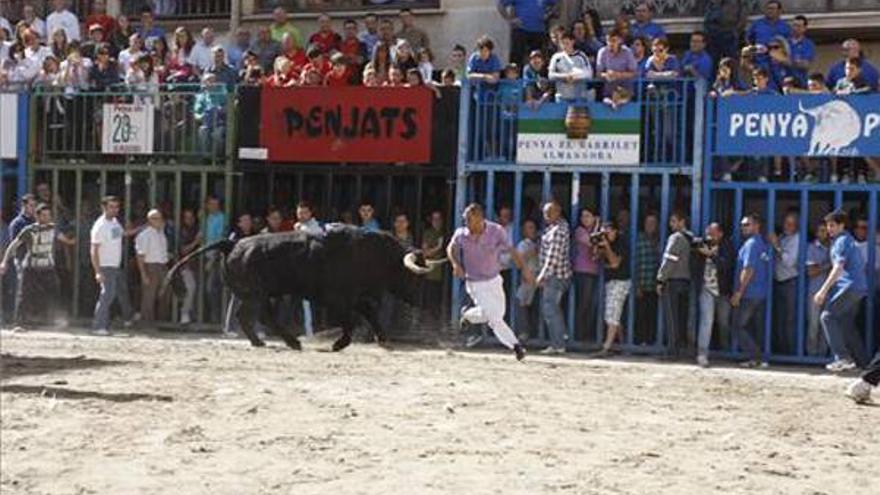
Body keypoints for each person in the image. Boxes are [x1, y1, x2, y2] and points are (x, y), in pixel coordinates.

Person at [448, 203, 534, 361]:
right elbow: (451, 248)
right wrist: (455, 264)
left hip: (494, 279)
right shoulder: (461, 234)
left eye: (469, 220)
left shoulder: (496, 231)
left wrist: (524, 269)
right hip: (475, 282)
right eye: (465, 220)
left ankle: (467, 315)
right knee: (494, 318)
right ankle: (516, 346)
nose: (467, 223)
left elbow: (511, 251)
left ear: (480, 219)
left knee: (497, 314)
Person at [814, 210, 870, 372]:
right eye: (827, 225)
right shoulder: (848, 240)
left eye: (832, 225)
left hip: (850, 287)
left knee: (827, 316)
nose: (829, 229)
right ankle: (864, 363)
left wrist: (823, 290)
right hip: (858, 288)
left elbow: (838, 267)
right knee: (847, 324)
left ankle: (843, 358)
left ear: (842, 225)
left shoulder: (841, 241)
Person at [0, 203, 64, 328]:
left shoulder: (52, 228)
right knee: (24, 294)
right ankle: (19, 322)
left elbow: (63, 238)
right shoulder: (29, 230)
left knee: (54, 290)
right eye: (44, 215)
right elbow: (14, 245)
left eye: (48, 215)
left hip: (47, 266)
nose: (47, 218)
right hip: (31, 266)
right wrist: (4, 261)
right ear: (37, 216)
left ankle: (48, 318)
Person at [732, 213, 771, 368]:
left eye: (747, 224)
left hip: (749, 293)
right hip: (760, 292)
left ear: (757, 226)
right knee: (753, 327)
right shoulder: (761, 243)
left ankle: (757, 357)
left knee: (737, 326)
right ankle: (758, 359)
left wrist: (739, 292)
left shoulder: (751, 244)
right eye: (742, 225)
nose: (743, 228)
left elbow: (748, 269)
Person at [91, 196, 134, 335]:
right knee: (107, 296)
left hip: (115, 266)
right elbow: (94, 250)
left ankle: (128, 318)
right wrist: (98, 271)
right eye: (111, 207)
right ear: (104, 208)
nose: (115, 209)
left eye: (116, 206)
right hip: (105, 266)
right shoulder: (100, 226)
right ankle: (98, 326)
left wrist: (143, 227)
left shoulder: (114, 222)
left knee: (121, 292)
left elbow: (123, 234)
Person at [694, 222, 736, 367]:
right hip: (707, 288)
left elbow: (727, 265)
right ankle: (702, 354)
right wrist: (701, 246)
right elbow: (693, 243)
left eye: (712, 233)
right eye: (708, 233)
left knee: (724, 322)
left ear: (720, 234)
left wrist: (712, 256)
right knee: (707, 320)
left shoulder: (727, 246)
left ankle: (726, 349)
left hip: (723, 291)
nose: (709, 236)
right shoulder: (703, 244)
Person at [537, 201, 572, 354]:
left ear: (557, 212)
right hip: (557, 275)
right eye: (545, 213)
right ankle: (559, 339)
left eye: (549, 213)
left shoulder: (558, 230)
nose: (546, 216)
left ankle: (558, 344)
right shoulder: (556, 228)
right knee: (553, 309)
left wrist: (542, 275)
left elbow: (553, 257)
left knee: (550, 308)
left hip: (555, 276)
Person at [656, 211, 692, 357]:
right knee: (682, 316)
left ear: (682, 222)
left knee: (671, 317)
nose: (671, 225)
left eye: (673, 221)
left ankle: (672, 350)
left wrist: (660, 279)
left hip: (673, 281)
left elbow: (669, 260)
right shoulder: (691, 238)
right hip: (686, 282)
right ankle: (682, 347)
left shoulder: (676, 237)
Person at [595, 221, 630, 356]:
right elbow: (595, 257)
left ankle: (606, 347)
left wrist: (607, 247)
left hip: (620, 281)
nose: (606, 234)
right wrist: (597, 245)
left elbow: (615, 263)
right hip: (610, 282)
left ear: (616, 231)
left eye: (609, 231)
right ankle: (622, 344)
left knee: (612, 315)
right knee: (614, 314)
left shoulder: (621, 243)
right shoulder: (605, 242)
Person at [768, 211, 800, 355]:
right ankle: (780, 351)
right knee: (779, 319)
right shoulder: (783, 237)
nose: (787, 226)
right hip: (778, 282)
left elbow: (789, 262)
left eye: (791, 224)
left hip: (790, 282)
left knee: (789, 321)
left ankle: (791, 353)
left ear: (797, 226)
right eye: (786, 223)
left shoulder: (796, 239)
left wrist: (776, 246)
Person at [134, 209, 169, 324]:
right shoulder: (144, 235)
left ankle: (161, 320)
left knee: (164, 293)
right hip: (151, 266)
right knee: (149, 296)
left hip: (162, 266)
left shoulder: (161, 233)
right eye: (155, 218)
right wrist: (143, 274)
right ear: (149, 220)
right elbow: (140, 256)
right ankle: (146, 322)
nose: (158, 221)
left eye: (160, 218)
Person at [497, 0, 556, 66]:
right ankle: (516, 76)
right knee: (517, 59)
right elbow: (500, 5)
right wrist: (510, 19)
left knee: (537, 59)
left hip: (539, 31)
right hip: (521, 30)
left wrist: (548, 14)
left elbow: (556, 5)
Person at [294, 201, 322, 337]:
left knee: (308, 303)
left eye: (304, 212)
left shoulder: (315, 228)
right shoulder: (297, 226)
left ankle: (310, 331)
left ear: (310, 213)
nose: (301, 215)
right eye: (299, 212)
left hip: (312, 270)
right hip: (299, 270)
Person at [573, 207, 600, 343]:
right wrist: (597, 227)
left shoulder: (594, 231)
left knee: (591, 305)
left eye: (588, 216)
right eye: (583, 216)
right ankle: (579, 335)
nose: (585, 219)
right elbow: (592, 241)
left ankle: (586, 334)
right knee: (583, 304)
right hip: (582, 271)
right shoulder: (580, 231)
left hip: (594, 272)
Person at [634, 212, 660, 346]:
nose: (650, 226)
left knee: (652, 315)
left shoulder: (660, 240)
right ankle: (639, 341)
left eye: (653, 223)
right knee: (640, 314)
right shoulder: (638, 238)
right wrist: (637, 285)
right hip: (642, 283)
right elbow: (635, 262)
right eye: (648, 223)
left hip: (655, 285)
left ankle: (651, 341)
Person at [806, 220, 831, 356]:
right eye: (820, 230)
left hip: (831, 292)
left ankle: (822, 356)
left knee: (826, 325)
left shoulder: (834, 248)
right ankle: (811, 355)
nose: (823, 233)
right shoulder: (811, 248)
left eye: (825, 230)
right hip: (815, 291)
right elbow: (811, 272)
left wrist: (820, 267)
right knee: (814, 325)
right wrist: (828, 265)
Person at [548, 31, 593, 102]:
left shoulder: (581, 56)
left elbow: (589, 74)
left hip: (579, 97)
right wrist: (564, 77)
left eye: (567, 43)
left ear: (573, 42)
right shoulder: (556, 57)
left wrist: (575, 77)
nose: (564, 46)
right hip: (562, 97)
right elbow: (550, 75)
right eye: (562, 43)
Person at [515, 218, 540, 341]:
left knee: (534, 306)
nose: (532, 230)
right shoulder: (523, 244)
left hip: (539, 278)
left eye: (533, 227)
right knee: (522, 303)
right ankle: (524, 332)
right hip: (529, 276)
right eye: (529, 228)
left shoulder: (539, 243)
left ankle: (533, 332)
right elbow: (519, 260)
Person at [595, 29, 637, 98]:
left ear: (620, 41)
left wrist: (618, 74)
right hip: (608, 91)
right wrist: (606, 75)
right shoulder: (602, 52)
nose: (610, 43)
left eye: (614, 41)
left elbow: (634, 73)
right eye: (608, 41)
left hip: (625, 89)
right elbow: (598, 73)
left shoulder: (627, 52)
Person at [204, 196, 226, 323]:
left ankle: (216, 318)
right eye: (211, 204)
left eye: (216, 204)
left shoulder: (222, 218)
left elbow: (220, 240)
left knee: (212, 288)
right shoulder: (205, 217)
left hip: (215, 256)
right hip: (204, 255)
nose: (214, 206)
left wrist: (212, 259)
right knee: (205, 289)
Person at [421, 210, 447, 319]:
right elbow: (425, 253)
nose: (437, 222)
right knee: (432, 301)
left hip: (445, 273)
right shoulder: (428, 233)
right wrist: (438, 247)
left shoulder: (446, 232)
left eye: (439, 219)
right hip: (432, 273)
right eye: (434, 219)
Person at [177, 208, 201, 325]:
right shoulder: (182, 231)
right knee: (190, 288)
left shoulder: (198, 228)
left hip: (199, 265)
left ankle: (195, 315)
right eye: (187, 217)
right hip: (186, 265)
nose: (189, 220)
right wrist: (196, 242)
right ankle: (184, 313)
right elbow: (183, 250)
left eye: (191, 217)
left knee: (199, 291)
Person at [787, 15, 815, 86]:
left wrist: (786, 61)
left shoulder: (808, 44)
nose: (796, 28)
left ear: (804, 28)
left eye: (799, 26)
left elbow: (805, 64)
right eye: (794, 25)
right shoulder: (784, 42)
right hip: (783, 82)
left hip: (800, 82)